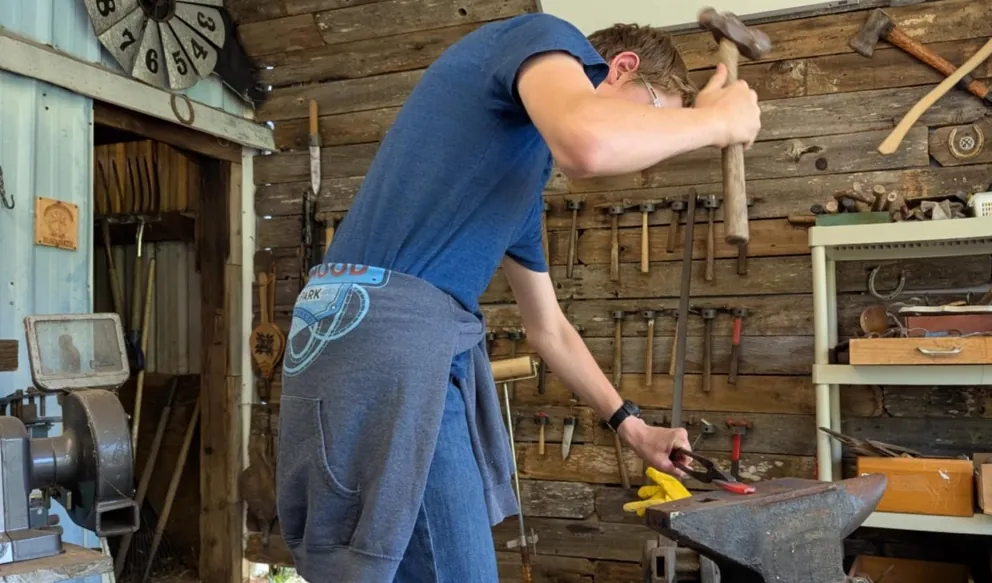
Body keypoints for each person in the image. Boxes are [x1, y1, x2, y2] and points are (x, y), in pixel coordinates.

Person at [275, 11, 762, 583]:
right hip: (393, 334)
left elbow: (549, 328)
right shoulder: (544, 37)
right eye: (655, 117)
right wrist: (717, 123)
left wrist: (633, 427)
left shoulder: (516, 183)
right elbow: (589, 141)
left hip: (350, 329)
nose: (647, 155)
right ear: (619, 70)